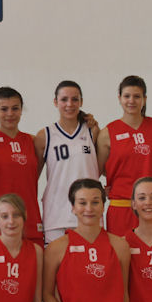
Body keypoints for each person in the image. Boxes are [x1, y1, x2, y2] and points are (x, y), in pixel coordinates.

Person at [0, 87, 43, 244]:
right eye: (4, 109)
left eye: (15, 108)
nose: (10, 114)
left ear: (21, 110)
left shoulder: (34, 141)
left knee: (31, 267)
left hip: (29, 217)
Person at [34, 81, 100, 244]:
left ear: (81, 102)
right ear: (55, 102)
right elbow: (31, 177)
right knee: (57, 268)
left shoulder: (93, 131)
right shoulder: (45, 135)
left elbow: (101, 167)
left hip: (88, 213)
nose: (69, 104)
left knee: (87, 267)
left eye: (74, 99)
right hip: (57, 215)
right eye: (64, 99)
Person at [96, 76, 152, 236]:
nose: (131, 100)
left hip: (150, 206)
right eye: (127, 96)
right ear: (119, 98)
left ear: (144, 99)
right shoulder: (107, 133)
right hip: (122, 207)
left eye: (137, 96)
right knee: (122, 257)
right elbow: (98, 170)